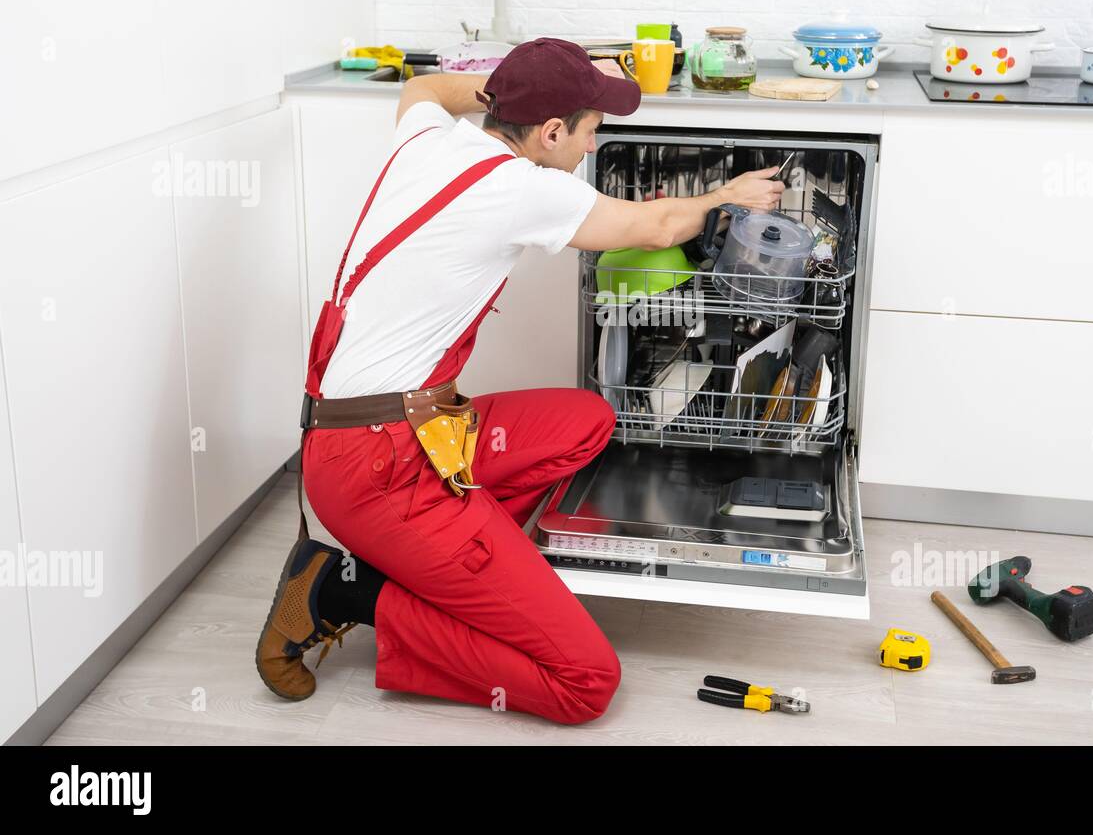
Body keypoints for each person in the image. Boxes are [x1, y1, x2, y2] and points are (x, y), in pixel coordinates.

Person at [255, 37, 784, 724]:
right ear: (552, 132)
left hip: (388, 431)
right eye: (592, 130)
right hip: (378, 468)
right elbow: (654, 228)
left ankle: (450, 566)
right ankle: (339, 593)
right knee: (586, 683)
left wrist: (504, 90)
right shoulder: (518, 188)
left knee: (586, 421)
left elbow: (421, 89)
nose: (594, 148)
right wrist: (730, 194)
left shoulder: (426, 138)